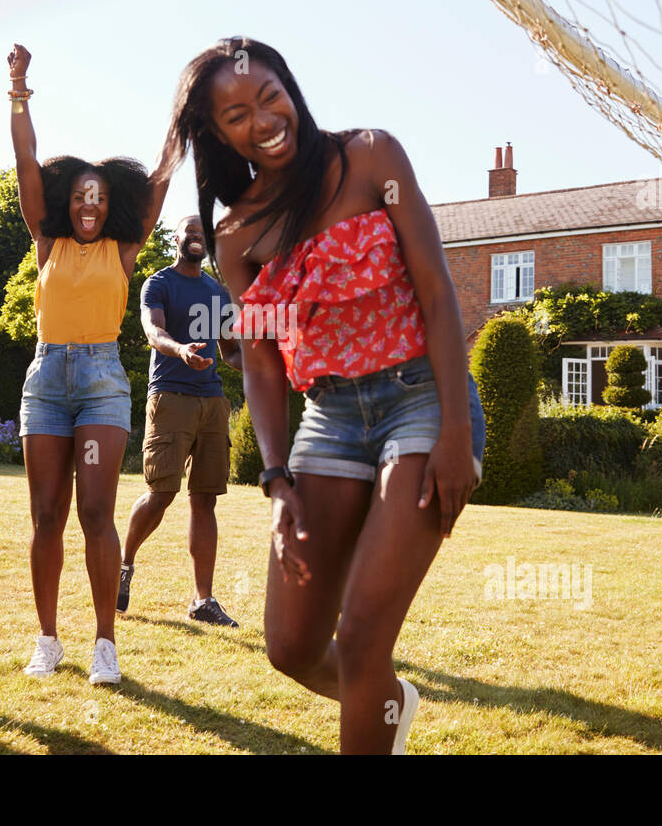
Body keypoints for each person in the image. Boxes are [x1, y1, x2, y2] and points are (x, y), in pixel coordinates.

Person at [157, 37, 486, 753]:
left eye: (270, 94)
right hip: (329, 419)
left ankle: (374, 693)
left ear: (292, 88)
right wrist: (276, 481)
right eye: (237, 113)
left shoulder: (370, 158)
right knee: (291, 648)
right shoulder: (237, 232)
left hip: (422, 398)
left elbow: (436, 292)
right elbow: (266, 366)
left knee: (363, 636)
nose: (264, 117)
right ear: (216, 132)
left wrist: (456, 432)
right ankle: (389, 703)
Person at [7, 43, 166, 685]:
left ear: (109, 204)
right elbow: (23, 160)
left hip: (101, 384)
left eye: (98, 197)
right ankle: (48, 641)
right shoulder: (46, 243)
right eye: (79, 196)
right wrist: (18, 87)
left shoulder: (124, 252)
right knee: (45, 515)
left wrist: (178, 123)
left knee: (95, 514)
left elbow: (159, 183)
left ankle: (105, 643)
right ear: (65, 202)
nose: (89, 204)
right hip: (45, 384)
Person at [118, 214, 243, 626]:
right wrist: (180, 349)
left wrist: (264, 362)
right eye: (190, 231)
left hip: (211, 400)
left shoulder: (218, 293)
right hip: (170, 396)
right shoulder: (160, 283)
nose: (196, 238)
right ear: (177, 237)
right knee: (161, 492)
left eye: (202, 233)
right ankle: (123, 565)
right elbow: (153, 332)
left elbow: (230, 351)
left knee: (205, 500)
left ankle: (202, 600)